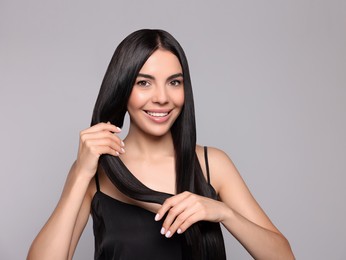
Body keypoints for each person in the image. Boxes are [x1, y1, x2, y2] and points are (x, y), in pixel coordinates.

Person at [27, 29, 294, 260]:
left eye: (174, 82)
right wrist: (82, 174)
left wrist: (225, 213)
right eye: (144, 83)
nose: (162, 98)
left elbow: (284, 256)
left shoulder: (213, 165)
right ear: (122, 89)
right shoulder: (95, 172)